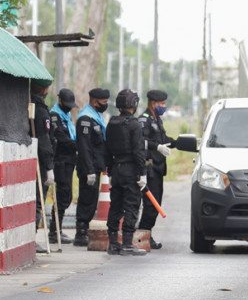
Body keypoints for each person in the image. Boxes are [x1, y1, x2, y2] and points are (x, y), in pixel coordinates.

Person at [104, 89, 147, 256]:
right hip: (130, 169)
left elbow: (106, 149)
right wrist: (142, 172)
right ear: (133, 104)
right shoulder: (134, 124)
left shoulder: (112, 123)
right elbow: (138, 151)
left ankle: (113, 243)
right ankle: (127, 243)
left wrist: (109, 170)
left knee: (115, 206)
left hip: (116, 168)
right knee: (131, 205)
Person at [138, 89, 174, 249]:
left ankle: (147, 233)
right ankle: (143, 234)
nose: (164, 107)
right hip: (149, 168)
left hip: (159, 169)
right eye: (162, 104)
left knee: (156, 202)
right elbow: (141, 141)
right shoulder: (144, 120)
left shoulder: (157, 119)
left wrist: (182, 143)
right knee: (151, 204)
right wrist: (157, 146)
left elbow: (164, 140)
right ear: (153, 103)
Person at [74, 88, 110, 247]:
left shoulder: (96, 117)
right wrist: (89, 170)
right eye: (104, 102)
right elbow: (84, 147)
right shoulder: (85, 119)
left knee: (91, 199)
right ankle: (80, 233)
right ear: (95, 101)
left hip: (95, 167)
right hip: (88, 168)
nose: (106, 105)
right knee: (86, 199)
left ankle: (85, 230)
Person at [48, 88, 77, 245]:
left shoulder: (66, 115)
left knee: (66, 196)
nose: (69, 107)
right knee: (62, 194)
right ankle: (54, 231)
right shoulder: (54, 116)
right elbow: (62, 138)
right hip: (60, 161)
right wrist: (79, 145)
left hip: (69, 160)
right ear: (60, 101)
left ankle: (57, 230)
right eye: (67, 104)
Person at [30, 80, 55, 254]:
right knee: (37, 201)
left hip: (27, 159)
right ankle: (31, 238)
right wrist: (49, 166)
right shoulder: (40, 110)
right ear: (45, 89)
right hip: (38, 161)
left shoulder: (24, 104)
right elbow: (44, 141)